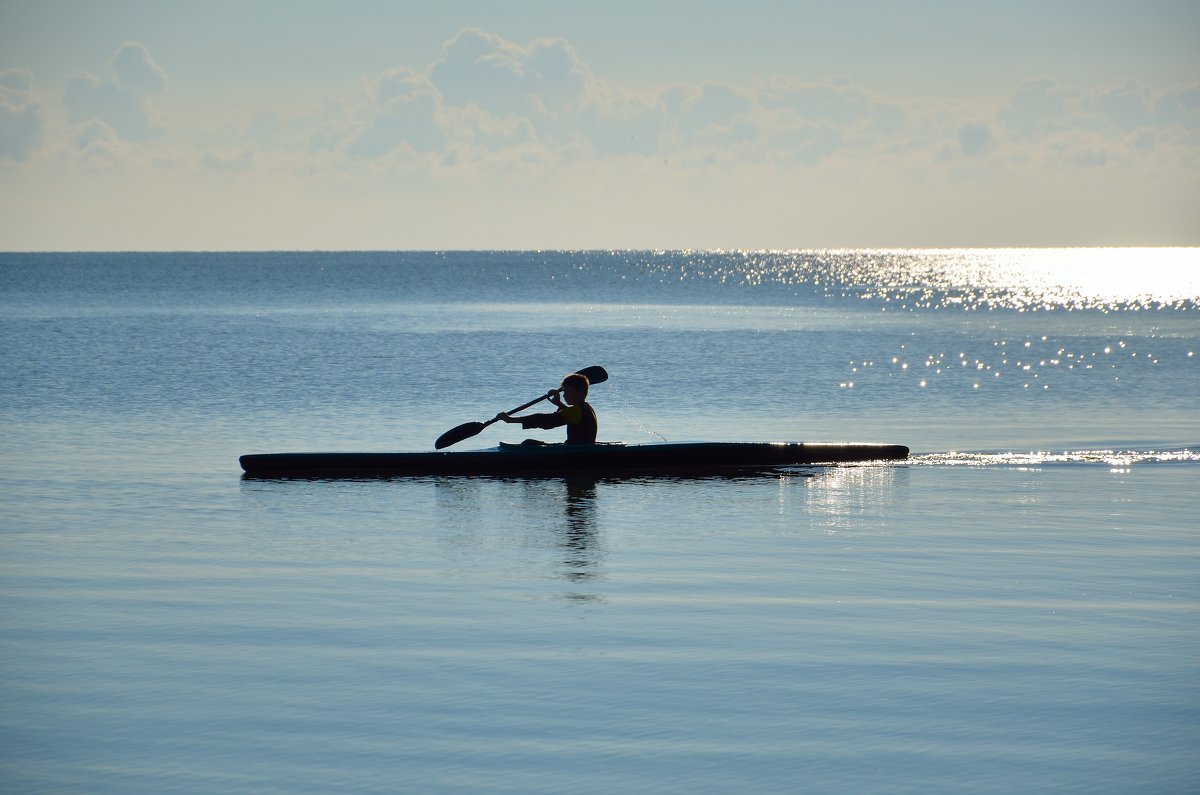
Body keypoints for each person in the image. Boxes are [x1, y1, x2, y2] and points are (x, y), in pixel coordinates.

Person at [495, 372, 598, 444]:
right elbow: (566, 416)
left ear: (580, 393)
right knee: (530, 443)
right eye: (564, 391)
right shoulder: (586, 408)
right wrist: (559, 404)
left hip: (576, 452)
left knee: (528, 443)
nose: (564, 395)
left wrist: (511, 420)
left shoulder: (576, 410)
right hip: (580, 448)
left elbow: (546, 421)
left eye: (568, 392)